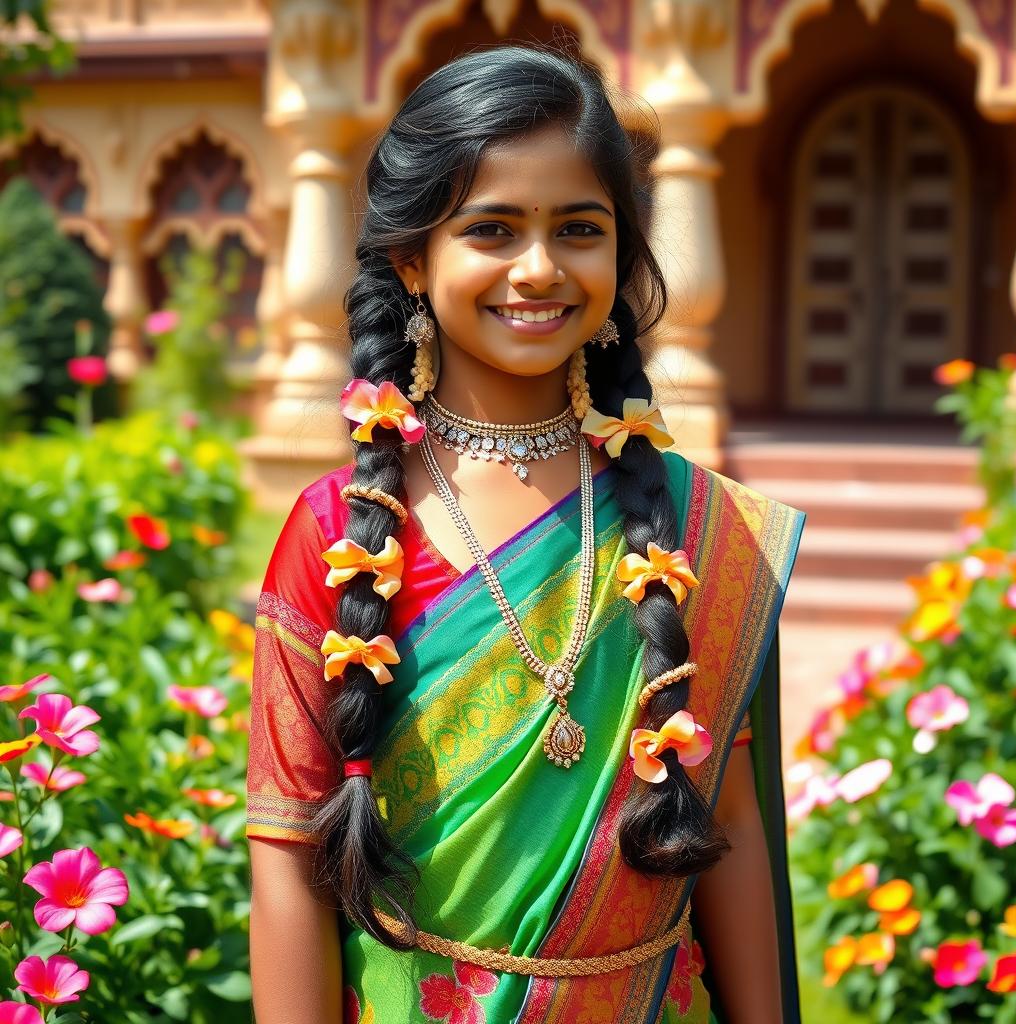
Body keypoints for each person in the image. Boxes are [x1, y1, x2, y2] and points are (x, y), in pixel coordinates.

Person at [246, 43, 805, 1024]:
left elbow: (728, 818)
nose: (538, 268)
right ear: (412, 258)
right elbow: (290, 858)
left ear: (622, 256)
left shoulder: (700, 525)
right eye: (492, 228)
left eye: (578, 229)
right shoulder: (337, 530)